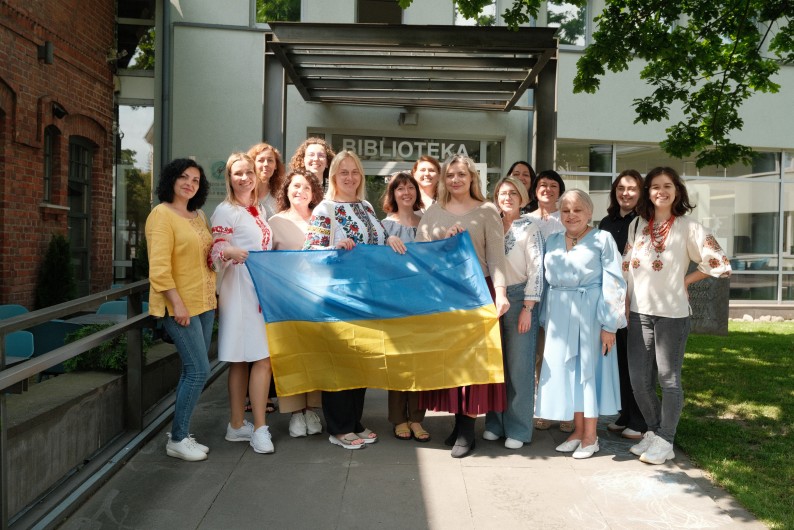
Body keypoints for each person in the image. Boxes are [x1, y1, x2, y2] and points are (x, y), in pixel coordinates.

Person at [623, 167, 731, 465]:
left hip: (671, 314)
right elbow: (626, 266)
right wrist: (623, 299)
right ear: (648, 192)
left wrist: (685, 280)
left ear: (677, 191)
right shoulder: (637, 226)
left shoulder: (689, 227)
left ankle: (666, 439)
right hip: (638, 312)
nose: (661, 191)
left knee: (668, 378)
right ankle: (655, 432)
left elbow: (719, 263)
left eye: (667, 186)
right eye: (655, 186)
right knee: (639, 381)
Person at [303, 150, 404, 450]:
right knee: (340, 363)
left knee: (359, 362)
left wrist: (391, 239)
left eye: (355, 172)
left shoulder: (367, 207)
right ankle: (339, 427)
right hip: (338, 297)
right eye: (343, 172)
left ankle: (354, 421)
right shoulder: (325, 210)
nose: (350, 177)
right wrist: (335, 246)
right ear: (333, 176)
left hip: (367, 297)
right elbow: (309, 253)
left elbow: (377, 241)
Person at [416, 154, 509, 458]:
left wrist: (502, 293)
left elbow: (496, 257)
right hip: (444, 295)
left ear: (472, 178)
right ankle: (458, 425)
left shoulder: (487, 211)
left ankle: (468, 431)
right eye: (450, 175)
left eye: (461, 175)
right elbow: (420, 254)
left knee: (474, 363)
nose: (456, 180)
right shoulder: (433, 213)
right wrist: (443, 238)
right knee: (452, 362)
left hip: (478, 291)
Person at [535, 189, 626, 459]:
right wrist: (545, 319)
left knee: (588, 373)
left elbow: (614, 281)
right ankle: (576, 431)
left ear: (589, 212)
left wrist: (609, 324)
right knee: (568, 374)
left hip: (591, 314)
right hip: (559, 316)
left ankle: (590, 436)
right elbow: (545, 283)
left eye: (577, 210)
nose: (571, 215)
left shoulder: (602, 239)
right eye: (565, 210)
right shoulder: (552, 240)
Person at [146, 158, 216, 462]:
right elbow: (159, 269)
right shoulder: (161, 215)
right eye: (184, 177)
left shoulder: (198, 215)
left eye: (196, 180)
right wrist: (177, 304)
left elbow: (205, 255)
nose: (189, 183)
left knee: (193, 370)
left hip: (205, 303)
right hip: (180, 307)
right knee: (199, 370)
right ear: (171, 180)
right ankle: (177, 438)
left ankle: (183, 433)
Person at [210, 153, 275, 454]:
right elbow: (216, 248)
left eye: (249, 172)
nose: (245, 177)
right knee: (257, 359)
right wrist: (228, 252)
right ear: (229, 177)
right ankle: (259, 428)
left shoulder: (256, 209)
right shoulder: (226, 210)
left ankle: (237, 425)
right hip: (238, 289)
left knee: (246, 359)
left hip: (256, 289)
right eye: (238, 173)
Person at [482, 176, 544, 450]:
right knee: (495, 366)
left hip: (520, 299)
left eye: (513, 193)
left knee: (519, 367)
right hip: (491, 297)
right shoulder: (490, 223)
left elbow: (537, 270)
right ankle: (495, 423)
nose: (507, 197)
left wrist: (528, 308)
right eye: (502, 193)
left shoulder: (530, 227)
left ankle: (518, 428)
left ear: (522, 198)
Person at [268, 169, 326, 438]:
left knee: (315, 355)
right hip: (286, 302)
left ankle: (312, 408)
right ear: (286, 190)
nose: (300, 191)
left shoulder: (322, 220)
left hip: (318, 300)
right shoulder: (275, 221)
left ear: (313, 193)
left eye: (306, 187)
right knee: (291, 357)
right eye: (295, 186)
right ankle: (294, 412)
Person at [380, 171, 430, 443]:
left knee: (419, 362)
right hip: (394, 303)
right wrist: (385, 241)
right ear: (393, 194)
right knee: (398, 362)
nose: (406, 192)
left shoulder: (427, 222)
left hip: (423, 302)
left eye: (411, 187)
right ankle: (399, 419)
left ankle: (417, 419)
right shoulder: (383, 226)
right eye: (400, 188)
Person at [598, 169, 647, 440]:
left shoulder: (644, 222)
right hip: (612, 300)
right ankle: (625, 413)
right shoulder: (607, 222)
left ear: (640, 193)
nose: (625, 193)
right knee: (619, 360)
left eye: (631, 188)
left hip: (635, 300)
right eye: (621, 188)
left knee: (636, 362)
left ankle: (641, 421)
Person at [527, 169, 571, 433]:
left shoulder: (566, 219)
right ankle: (542, 408)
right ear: (535, 190)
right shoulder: (525, 219)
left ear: (560, 190)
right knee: (537, 356)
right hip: (531, 297)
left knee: (562, 354)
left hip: (560, 296)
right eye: (542, 185)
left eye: (553, 185)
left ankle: (566, 410)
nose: (547, 189)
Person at [247, 142, 285, 219]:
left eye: (270, 160)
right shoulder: (243, 194)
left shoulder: (282, 197)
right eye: (261, 160)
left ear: (275, 166)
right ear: (252, 164)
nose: (266, 164)